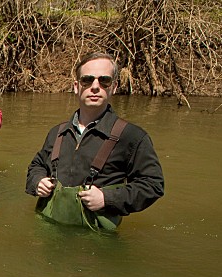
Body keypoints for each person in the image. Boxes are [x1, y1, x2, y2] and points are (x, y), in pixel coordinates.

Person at [26, 52, 164, 229]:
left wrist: (107, 198)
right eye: (87, 80)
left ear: (113, 87)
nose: (95, 87)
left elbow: (153, 185)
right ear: (77, 86)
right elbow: (36, 165)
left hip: (94, 241)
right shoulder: (57, 132)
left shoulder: (133, 136)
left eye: (104, 80)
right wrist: (37, 181)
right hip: (48, 228)